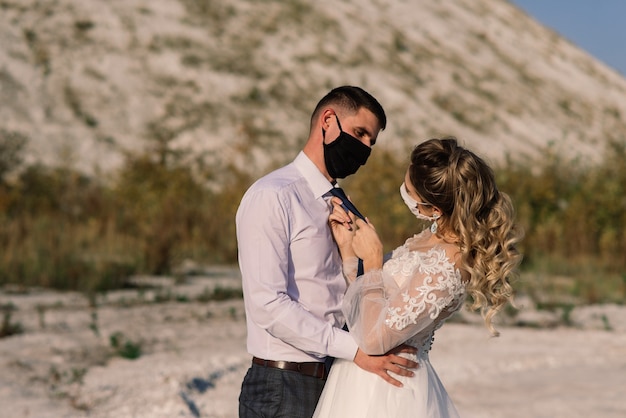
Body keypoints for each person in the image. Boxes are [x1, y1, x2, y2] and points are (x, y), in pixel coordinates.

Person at [236, 86, 419, 418]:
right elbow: (268, 305)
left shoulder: (344, 204)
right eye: (359, 133)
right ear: (328, 121)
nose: (364, 149)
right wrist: (354, 350)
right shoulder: (274, 196)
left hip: (337, 380)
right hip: (284, 384)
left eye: (371, 142)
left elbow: (348, 293)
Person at [313, 137, 523, 417]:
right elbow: (365, 308)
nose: (404, 192)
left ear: (435, 209)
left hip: (389, 392)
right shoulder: (428, 238)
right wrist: (349, 250)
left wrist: (375, 261)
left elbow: (374, 341)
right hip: (357, 378)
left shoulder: (450, 262)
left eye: (409, 190)